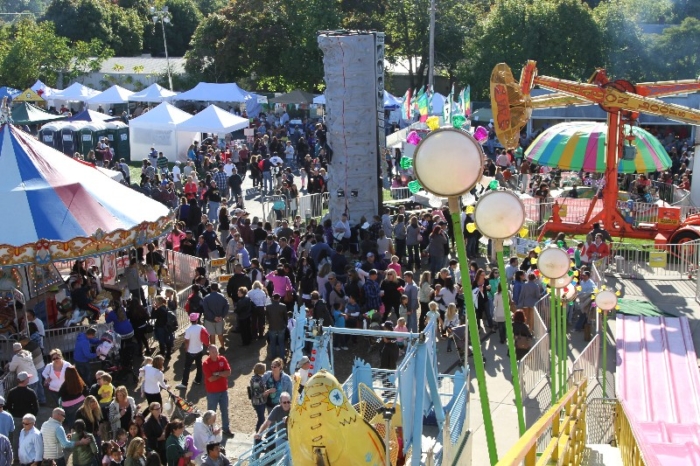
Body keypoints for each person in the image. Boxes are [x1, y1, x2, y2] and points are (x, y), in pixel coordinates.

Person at [202, 346, 233, 437]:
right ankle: (210, 430)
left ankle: (226, 429)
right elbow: (211, 379)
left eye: (216, 351)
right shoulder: (206, 363)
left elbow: (229, 372)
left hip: (223, 391)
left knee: (225, 410)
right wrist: (222, 374)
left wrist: (217, 374)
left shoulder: (222, 359)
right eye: (213, 352)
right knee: (211, 413)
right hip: (212, 392)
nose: (215, 354)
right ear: (209, 353)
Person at [176, 313, 206, 389]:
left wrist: (186, 349)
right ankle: (198, 380)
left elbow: (186, 341)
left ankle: (184, 383)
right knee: (199, 365)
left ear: (190, 320)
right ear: (196, 320)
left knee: (187, 367)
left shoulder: (188, 330)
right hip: (199, 349)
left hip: (190, 351)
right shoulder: (201, 327)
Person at [201, 283, 229, 351]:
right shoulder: (222, 296)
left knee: (212, 335)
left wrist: (213, 317)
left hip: (209, 320)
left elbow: (206, 310)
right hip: (220, 319)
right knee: (220, 334)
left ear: (211, 288)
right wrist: (222, 316)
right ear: (217, 288)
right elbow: (226, 306)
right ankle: (222, 346)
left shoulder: (206, 298)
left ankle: (214, 349)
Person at [266, 293, 288, 360]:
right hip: (281, 327)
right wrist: (285, 325)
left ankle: (273, 356)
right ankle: (282, 356)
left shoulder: (268, 307)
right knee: (281, 342)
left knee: (273, 342)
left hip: (272, 326)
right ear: (279, 298)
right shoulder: (283, 306)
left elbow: (267, 317)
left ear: (273, 298)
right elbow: (285, 317)